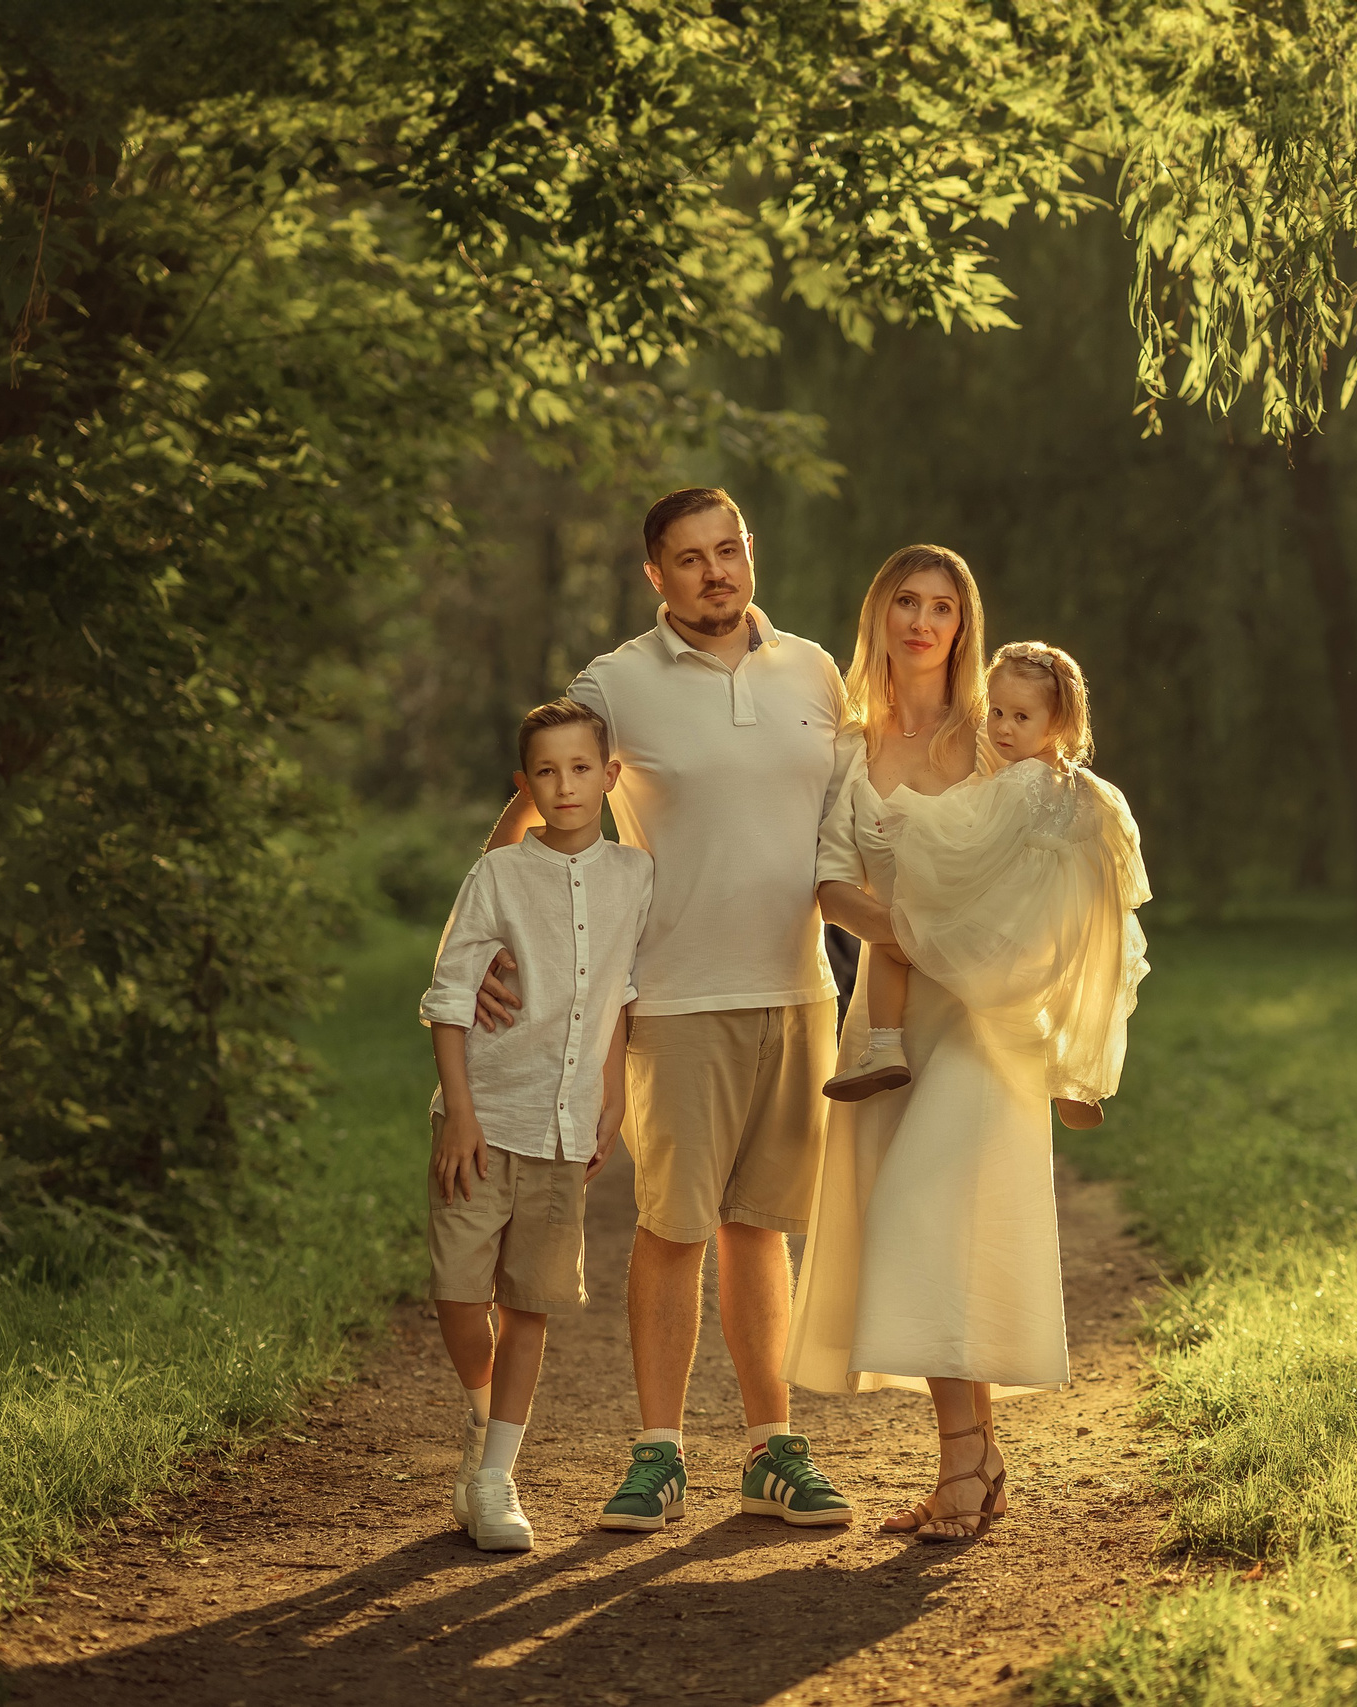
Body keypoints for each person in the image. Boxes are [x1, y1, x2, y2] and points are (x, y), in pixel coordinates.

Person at [474, 487, 859, 1533]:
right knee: (673, 1228)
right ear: (656, 576)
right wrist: (494, 934)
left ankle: (772, 1451)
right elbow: (541, 794)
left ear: (750, 552)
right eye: (688, 559)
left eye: (728, 550)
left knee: (761, 1229)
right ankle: (659, 1455)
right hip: (677, 998)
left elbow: (857, 815)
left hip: (799, 989)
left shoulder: (814, 670)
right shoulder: (617, 684)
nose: (714, 572)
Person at [786, 562, 1148, 1542]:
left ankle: (961, 1473)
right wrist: (901, 926)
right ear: (878, 615)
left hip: (986, 1024)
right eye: (906, 602)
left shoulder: (996, 737)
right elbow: (829, 881)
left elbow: (1058, 838)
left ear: (963, 624)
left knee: (925, 1212)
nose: (922, 621)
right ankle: (976, 1465)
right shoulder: (852, 747)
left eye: (942, 607)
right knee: (930, 1229)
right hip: (892, 1027)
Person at [419, 698, 652, 1551]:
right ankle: (483, 1419)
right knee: (456, 1292)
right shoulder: (497, 877)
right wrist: (460, 1116)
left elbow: (619, 994)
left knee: (531, 1302)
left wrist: (614, 1092)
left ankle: (494, 1478)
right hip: (485, 1117)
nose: (566, 785)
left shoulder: (635, 876)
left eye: (582, 768)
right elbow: (449, 998)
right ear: (526, 786)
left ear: (610, 777)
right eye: (547, 772)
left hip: (563, 1128)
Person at [825, 643, 1146, 1135]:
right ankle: (1066, 1076)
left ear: (1057, 724)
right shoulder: (1089, 790)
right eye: (996, 711)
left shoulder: (1018, 782)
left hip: (994, 923)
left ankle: (884, 1047)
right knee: (1043, 997)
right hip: (1040, 926)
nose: (1001, 727)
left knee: (894, 936)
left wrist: (908, 819)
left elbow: (965, 832)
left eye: (1020, 716)